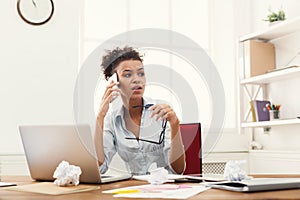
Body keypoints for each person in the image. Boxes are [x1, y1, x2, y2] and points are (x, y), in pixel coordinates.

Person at [94, 46, 185, 175]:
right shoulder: (112, 121)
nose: (137, 79)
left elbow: (178, 170)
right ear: (115, 82)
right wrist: (100, 117)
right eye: (127, 74)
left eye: (141, 73)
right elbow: (99, 168)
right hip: (134, 190)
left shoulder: (163, 111)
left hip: (166, 188)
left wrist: (175, 124)